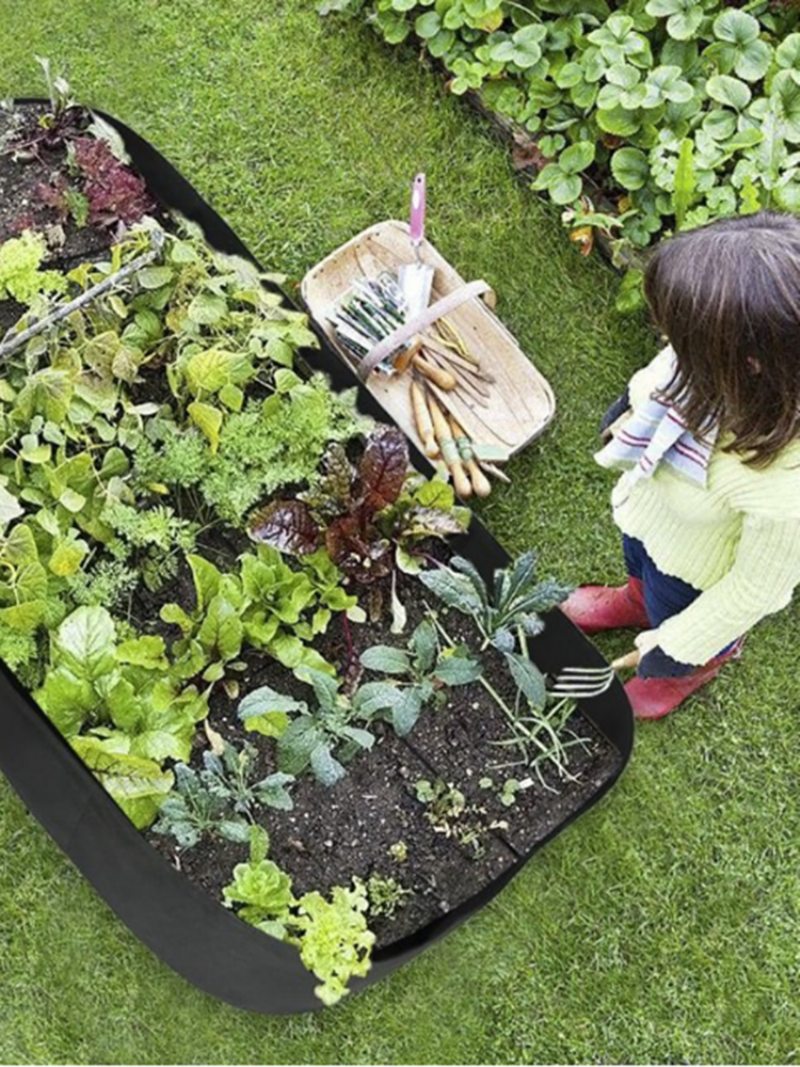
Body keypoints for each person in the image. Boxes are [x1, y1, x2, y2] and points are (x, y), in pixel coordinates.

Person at [562, 211, 800, 720]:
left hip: (700, 574)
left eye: (680, 337)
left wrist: (675, 641)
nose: (667, 341)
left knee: (677, 616)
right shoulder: (706, 367)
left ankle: (686, 672)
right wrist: (627, 409)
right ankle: (636, 599)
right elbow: (659, 376)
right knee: (642, 563)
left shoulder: (786, 488)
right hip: (652, 514)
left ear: (750, 363)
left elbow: (755, 589)